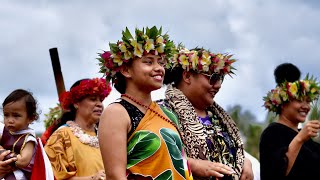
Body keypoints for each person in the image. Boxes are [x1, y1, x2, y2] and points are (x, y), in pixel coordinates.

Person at [97, 26, 193, 179]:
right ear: (126, 70)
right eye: (149, 62)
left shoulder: (167, 113)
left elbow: (181, 165)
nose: (159, 68)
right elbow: (116, 176)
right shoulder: (116, 113)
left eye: (161, 63)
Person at [159, 48, 253, 180]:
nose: (219, 85)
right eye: (213, 78)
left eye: (221, 78)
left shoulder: (219, 117)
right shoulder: (160, 112)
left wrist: (245, 162)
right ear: (187, 76)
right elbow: (155, 156)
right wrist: (192, 165)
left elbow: (235, 152)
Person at [260, 63, 320, 180]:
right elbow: (275, 174)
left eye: (308, 101)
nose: (306, 106)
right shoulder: (272, 134)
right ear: (282, 103)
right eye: (299, 100)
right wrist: (299, 139)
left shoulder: (308, 140)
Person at [44, 78, 111, 180]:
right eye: (93, 99)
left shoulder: (106, 136)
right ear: (76, 103)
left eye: (101, 100)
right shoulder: (61, 136)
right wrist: (92, 178)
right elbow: (52, 177)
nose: (99, 104)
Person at [0, 89, 42, 179]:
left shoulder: (29, 139)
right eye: (6, 115)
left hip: (19, 175)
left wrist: (4, 153)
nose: (10, 120)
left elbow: (23, 161)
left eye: (16, 116)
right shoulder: (5, 131)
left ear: (30, 118)